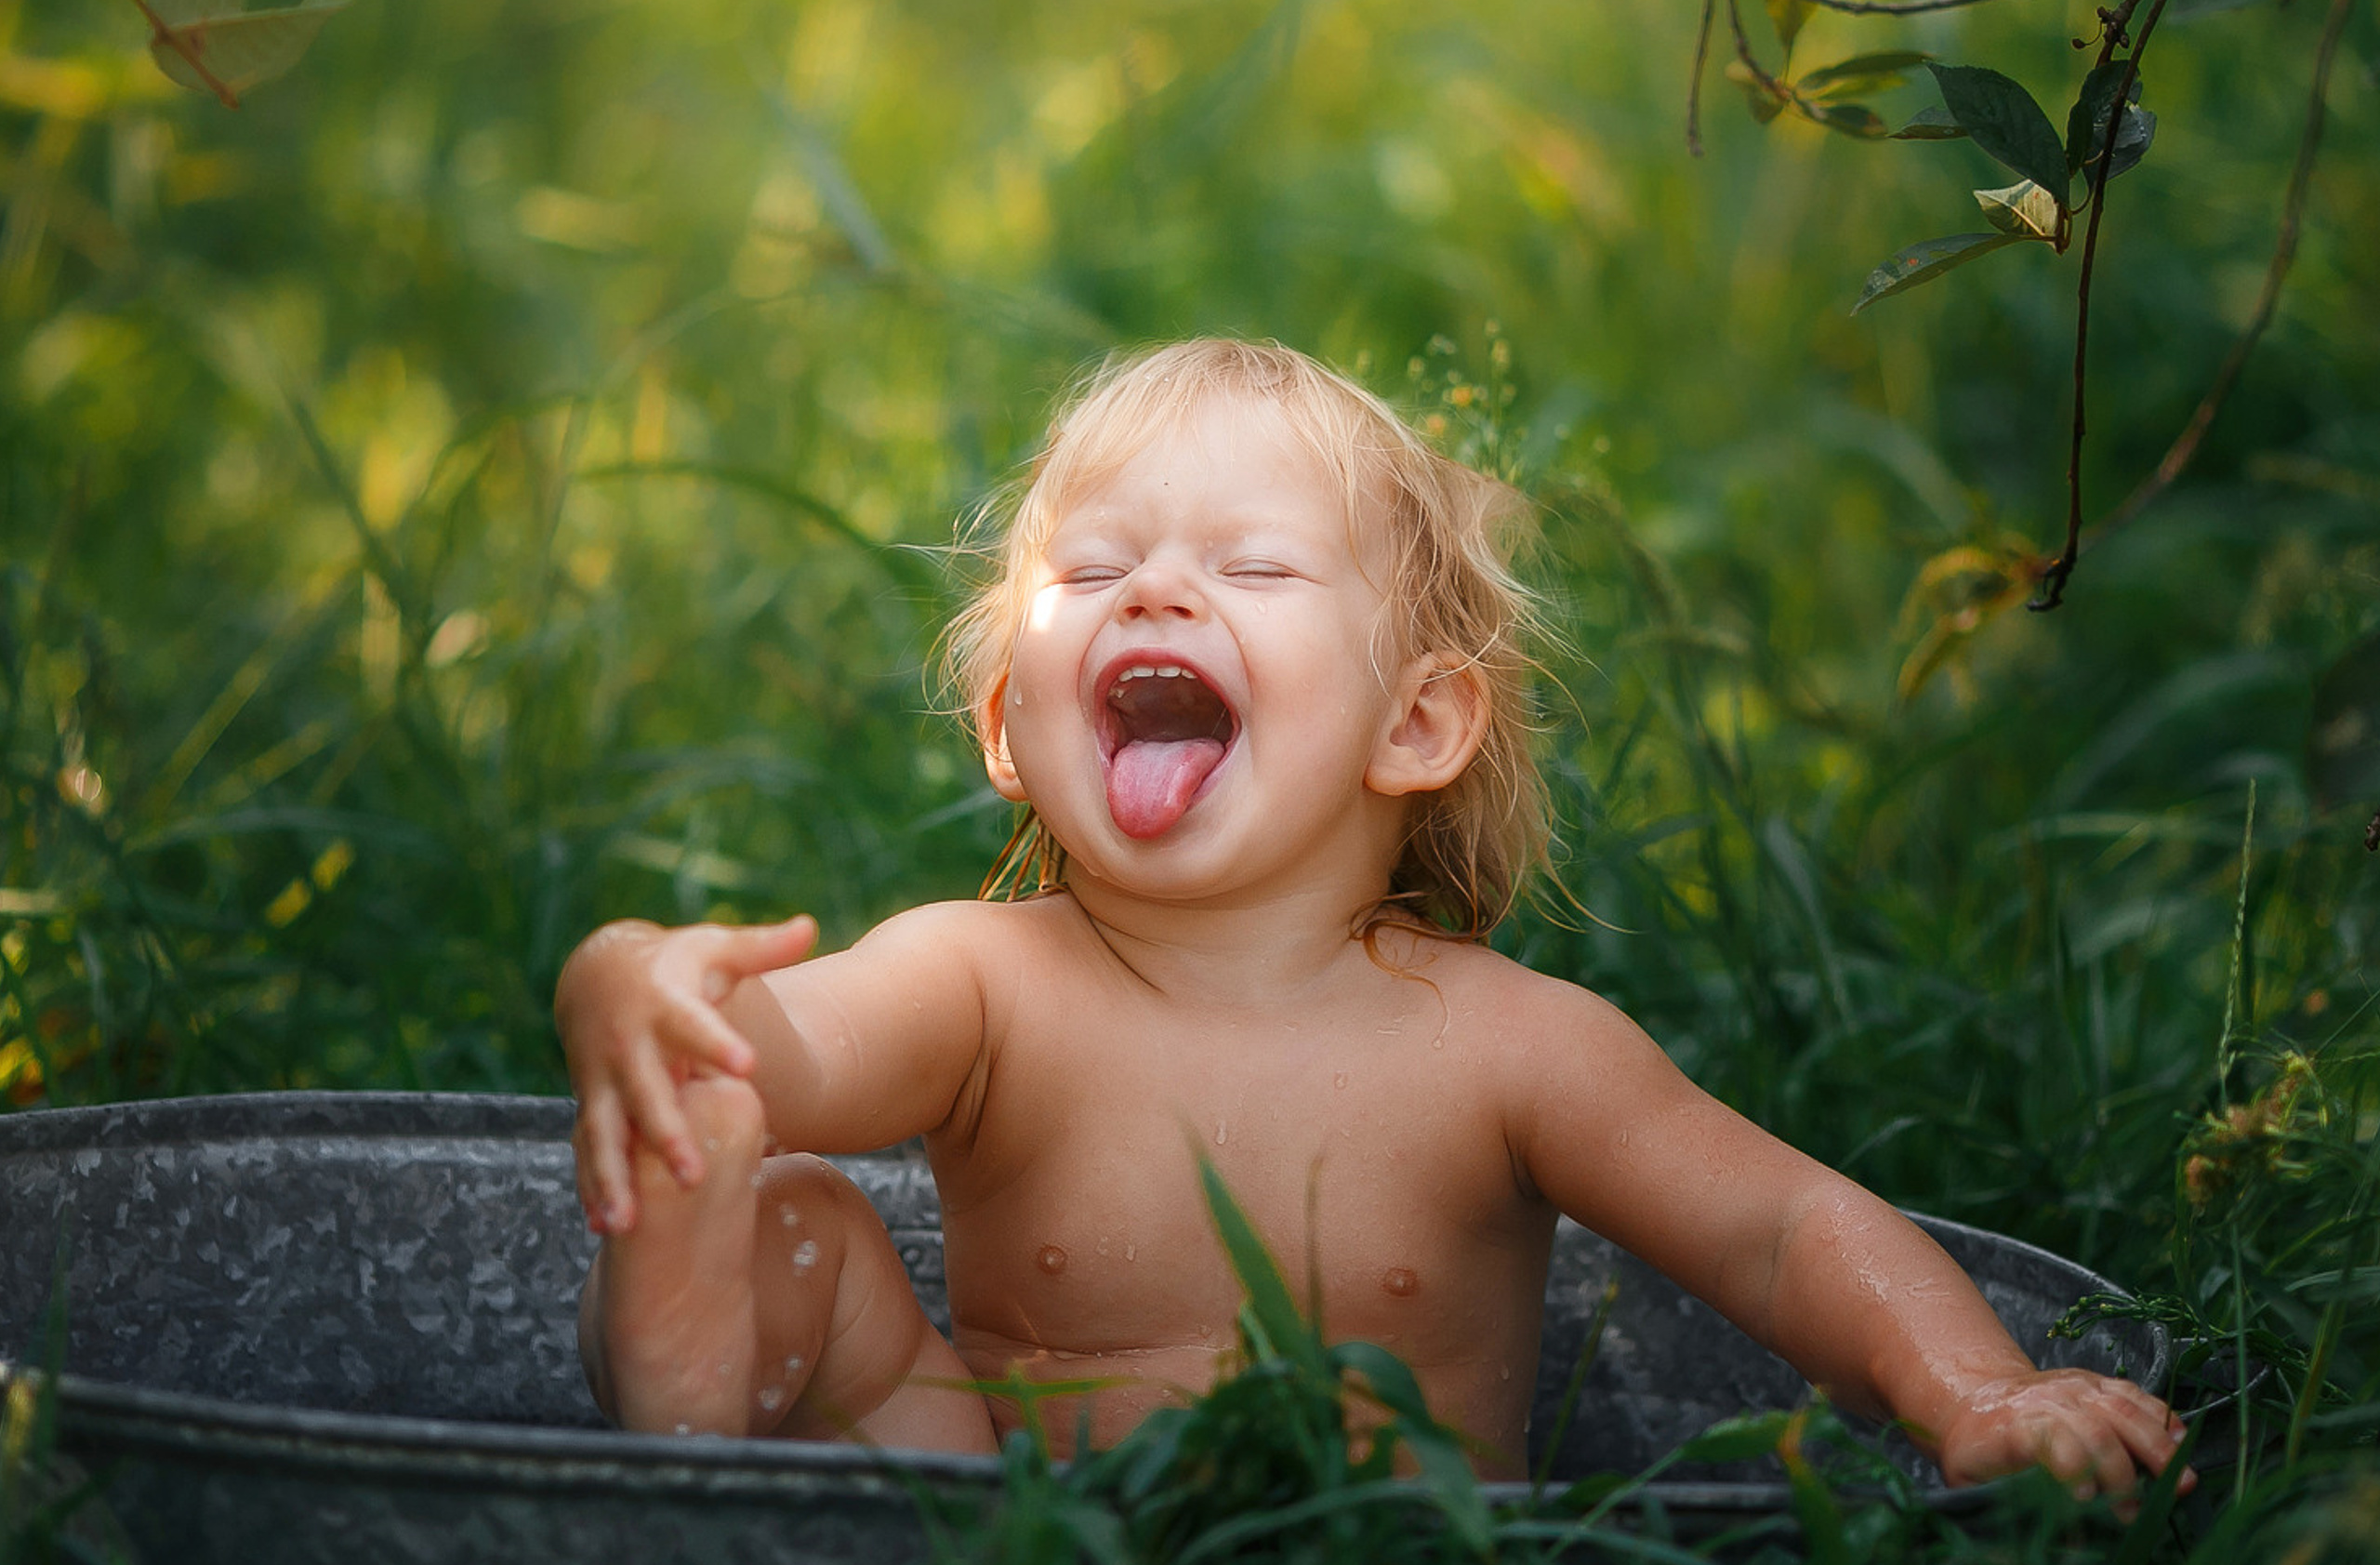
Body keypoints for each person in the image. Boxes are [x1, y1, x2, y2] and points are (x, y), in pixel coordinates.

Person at [557, 339, 2188, 1500]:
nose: (1155, 592)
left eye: (1254, 571)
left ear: (1414, 724)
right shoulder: (983, 982)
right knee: (784, 1213)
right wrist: (642, 996)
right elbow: (781, 1049)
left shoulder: (1508, 1050)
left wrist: (1977, 1387)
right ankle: (684, 1510)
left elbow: (1780, 1228)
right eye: (1096, 569)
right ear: (1005, 723)